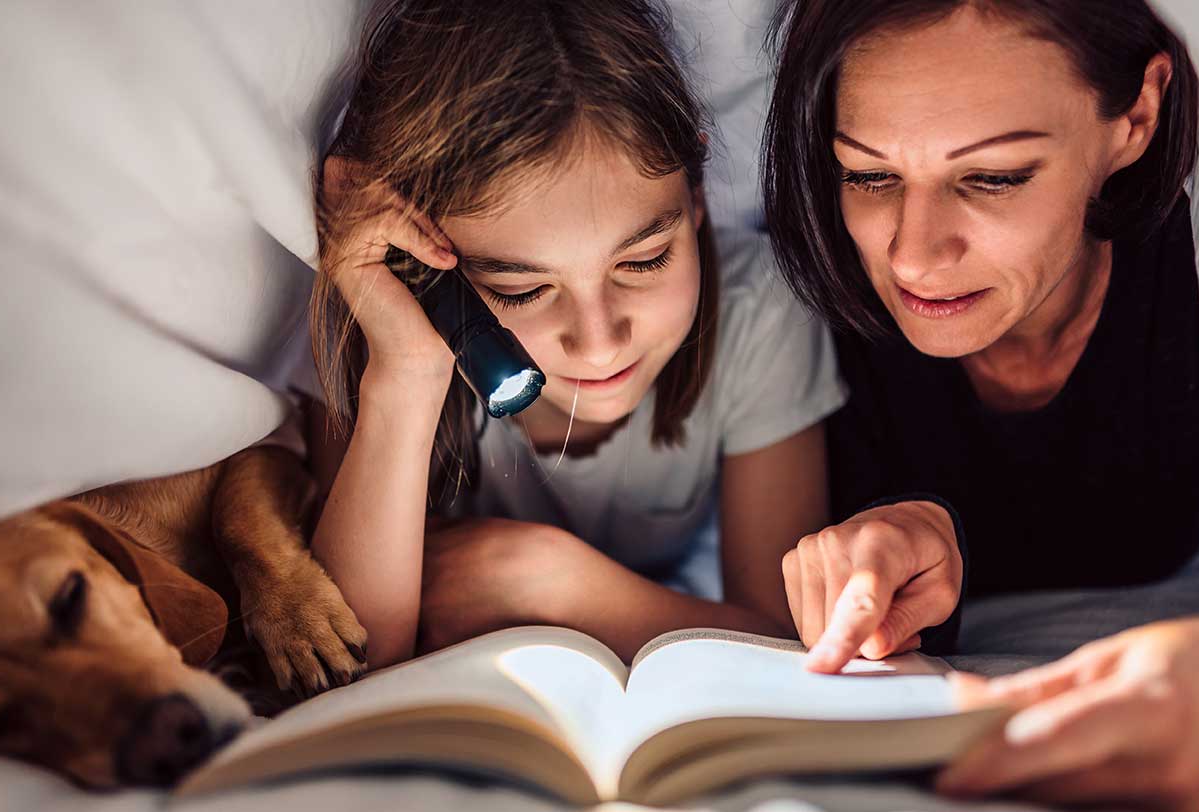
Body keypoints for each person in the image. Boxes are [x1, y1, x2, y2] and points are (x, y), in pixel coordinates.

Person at [761, 0, 1199, 807]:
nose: (915, 256)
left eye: (992, 177)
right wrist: (897, 536)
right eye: (870, 174)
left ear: (1136, 114)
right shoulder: (806, 289)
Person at [305, 0, 844, 671]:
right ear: (416, 265)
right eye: (520, 290)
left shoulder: (760, 308)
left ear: (696, 193)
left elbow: (790, 641)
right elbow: (355, 658)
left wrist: (553, 581)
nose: (599, 343)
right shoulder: (373, 330)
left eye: (644, 260)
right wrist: (408, 372)